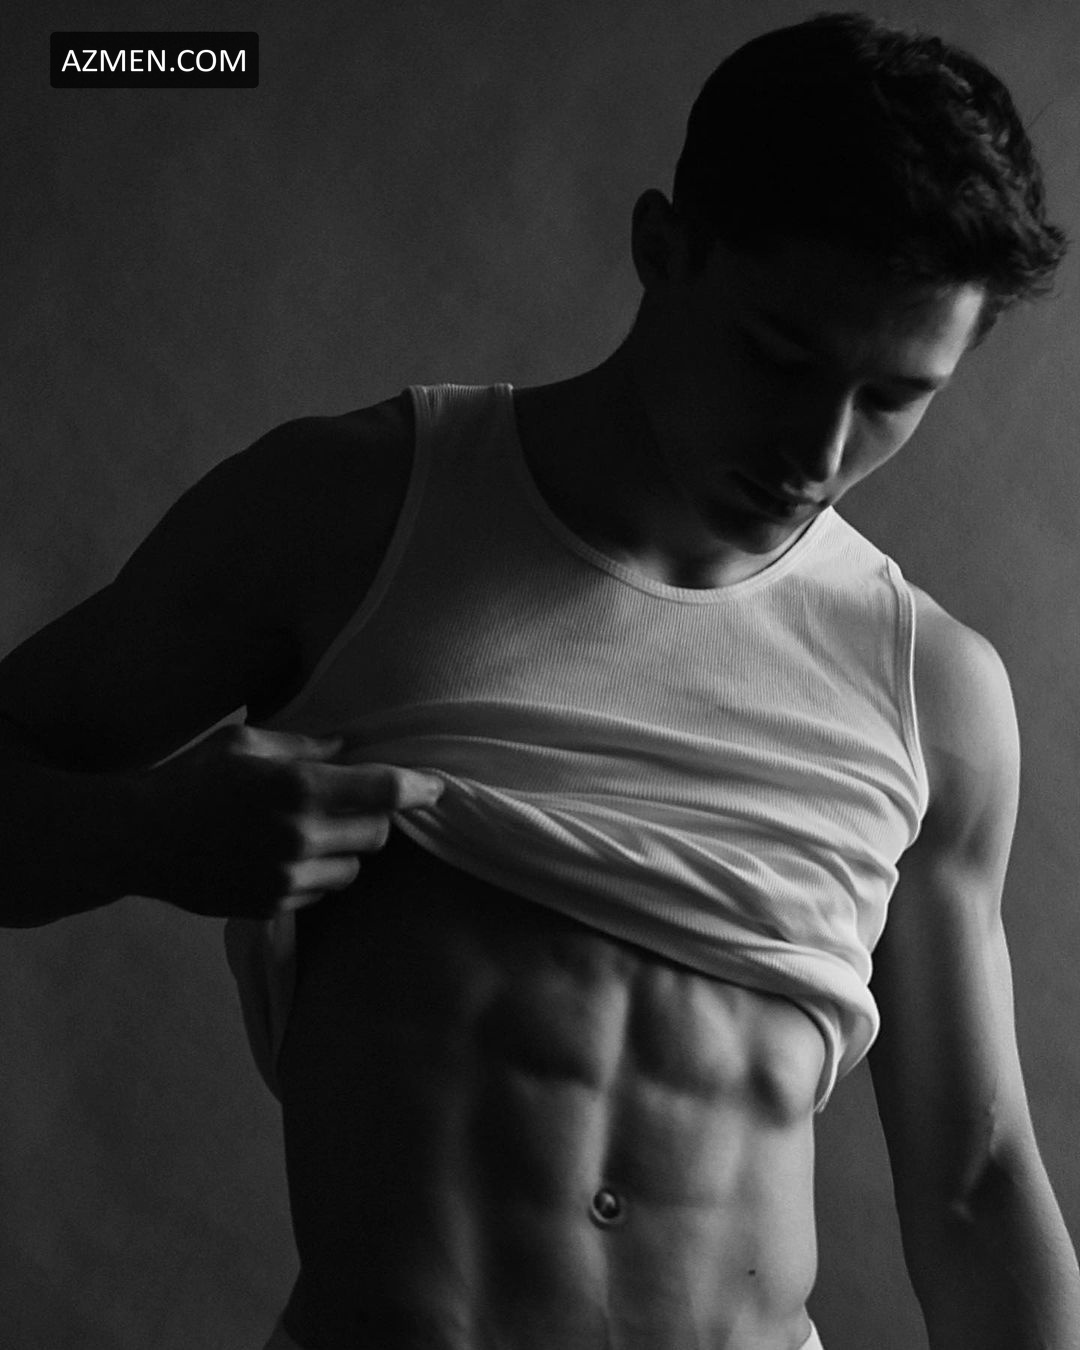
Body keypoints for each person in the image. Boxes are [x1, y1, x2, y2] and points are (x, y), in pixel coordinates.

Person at [1, 10, 1078, 1349]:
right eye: (780, 358)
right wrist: (143, 833)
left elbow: (975, 1190)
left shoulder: (936, 691)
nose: (818, 450)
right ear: (662, 249)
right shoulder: (354, 514)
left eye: (895, 397)